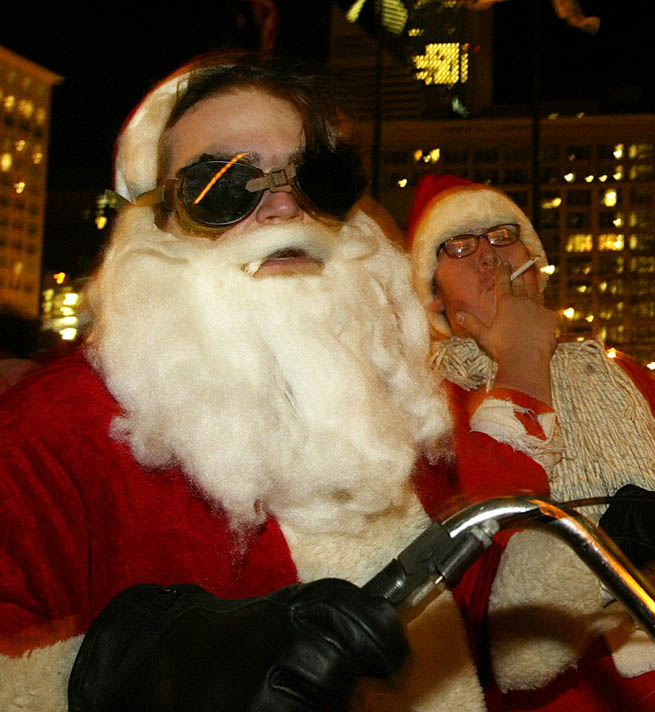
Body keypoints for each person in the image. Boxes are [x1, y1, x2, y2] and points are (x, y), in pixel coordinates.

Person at [0, 57, 488, 711]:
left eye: (316, 177)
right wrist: (155, 680)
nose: (283, 206)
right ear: (163, 218)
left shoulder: (398, 402)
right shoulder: (50, 429)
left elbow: (472, 626)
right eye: (225, 185)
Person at [404, 174, 655, 712]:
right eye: (458, 247)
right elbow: (492, 555)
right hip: (558, 691)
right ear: (431, 292)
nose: (491, 259)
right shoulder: (422, 404)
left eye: (504, 236)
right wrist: (521, 357)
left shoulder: (621, 376)